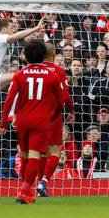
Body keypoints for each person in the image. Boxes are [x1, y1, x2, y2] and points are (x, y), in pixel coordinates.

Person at [0, 17, 45, 165]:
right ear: (4, 28)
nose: (14, 29)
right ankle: (17, 112)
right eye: (12, 26)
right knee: (20, 75)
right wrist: (36, 29)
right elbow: (15, 37)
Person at [1, 39, 64, 204]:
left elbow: (9, 99)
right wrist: (53, 116)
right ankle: (24, 191)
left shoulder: (20, 74)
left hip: (22, 120)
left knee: (24, 155)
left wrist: (3, 122)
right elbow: (60, 101)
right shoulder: (53, 75)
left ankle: (26, 191)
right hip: (40, 121)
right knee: (35, 155)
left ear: (25, 57)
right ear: (44, 55)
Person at [35, 43, 75, 198]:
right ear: (53, 54)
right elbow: (65, 95)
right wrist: (71, 110)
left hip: (35, 115)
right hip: (53, 116)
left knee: (41, 152)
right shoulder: (58, 71)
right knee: (55, 151)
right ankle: (43, 182)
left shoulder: (33, 70)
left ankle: (39, 183)